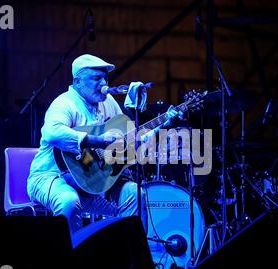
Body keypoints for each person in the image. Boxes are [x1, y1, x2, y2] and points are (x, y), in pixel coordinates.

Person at [27, 54, 179, 235]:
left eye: (104, 78)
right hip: (51, 177)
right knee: (68, 201)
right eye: (96, 78)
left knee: (135, 195)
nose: (103, 83)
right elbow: (52, 132)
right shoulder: (64, 104)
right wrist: (96, 140)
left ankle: (130, 258)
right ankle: (69, 260)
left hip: (92, 182)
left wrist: (164, 124)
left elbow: (130, 139)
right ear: (78, 82)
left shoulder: (108, 103)